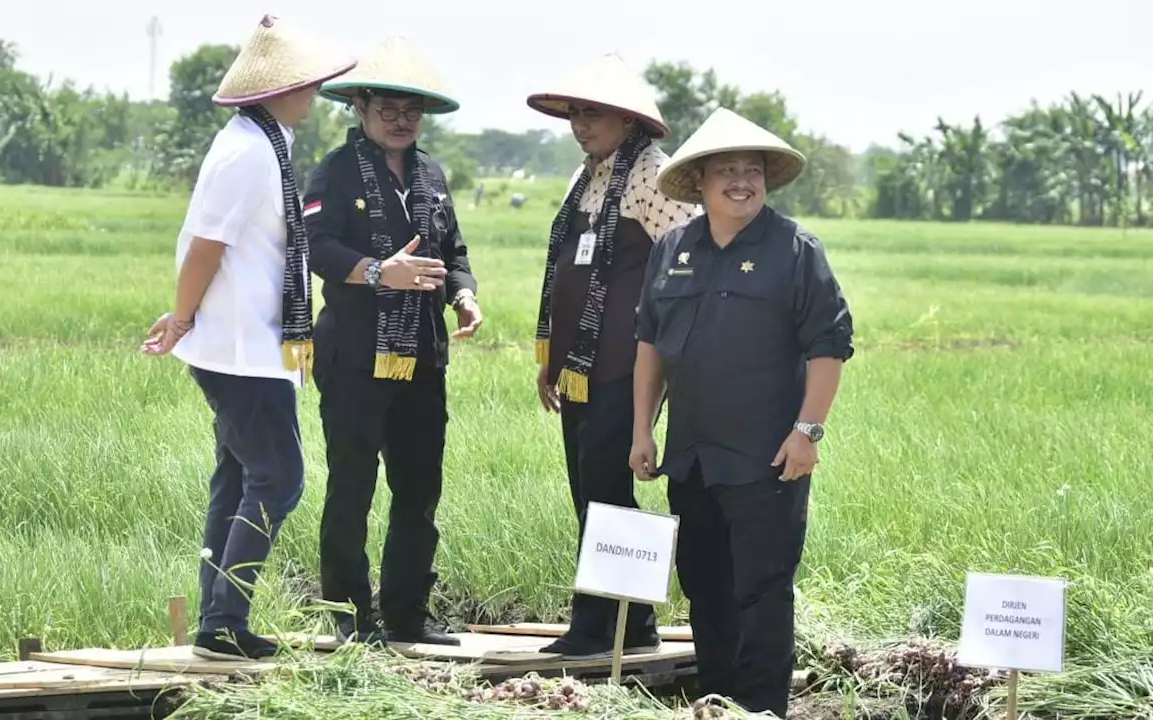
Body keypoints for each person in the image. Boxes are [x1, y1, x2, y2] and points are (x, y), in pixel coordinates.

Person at [140, 15, 356, 661]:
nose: (314, 98)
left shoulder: (263, 142)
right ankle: (223, 622)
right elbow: (207, 244)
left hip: (252, 344)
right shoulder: (247, 151)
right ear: (281, 89)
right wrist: (180, 316)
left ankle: (218, 622)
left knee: (238, 481)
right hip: (239, 349)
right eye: (308, 86)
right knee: (279, 478)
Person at [630, 107, 855, 717]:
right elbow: (650, 344)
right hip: (693, 455)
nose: (741, 181)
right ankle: (717, 698)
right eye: (726, 169)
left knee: (762, 589)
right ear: (699, 182)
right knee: (704, 585)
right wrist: (641, 431)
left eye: (751, 170)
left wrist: (807, 432)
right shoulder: (674, 248)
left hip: (767, 458)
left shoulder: (795, 250)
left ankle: (761, 708)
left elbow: (829, 346)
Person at [300, 36, 481, 647]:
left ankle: (408, 613)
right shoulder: (335, 170)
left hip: (422, 356)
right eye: (388, 109)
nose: (401, 120)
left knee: (419, 487)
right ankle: (351, 620)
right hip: (354, 353)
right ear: (359, 106)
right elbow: (317, 248)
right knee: (352, 484)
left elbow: (451, 248)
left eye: (412, 110)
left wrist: (463, 293)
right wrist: (381, 271)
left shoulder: (431, 172)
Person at [524, 53, 700, 660]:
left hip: (626, 365)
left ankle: (613, 625)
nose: (580, 125)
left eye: (592, 114)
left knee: (607, 490)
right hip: (579, 366)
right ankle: (618, 622)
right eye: (574, 114)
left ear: (627, 120)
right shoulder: (586, 177)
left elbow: (688, 257)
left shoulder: (652, 173)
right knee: (587, 485)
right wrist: (551, 359)